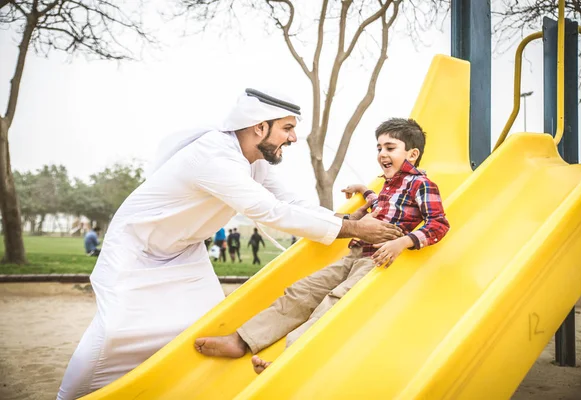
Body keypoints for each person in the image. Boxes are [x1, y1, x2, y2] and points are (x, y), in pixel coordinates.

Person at [57, 87, 402, 399]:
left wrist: (343, 222)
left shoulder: (253, 162)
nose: (294, 137)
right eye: (287, 127)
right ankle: (69, 396)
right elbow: (270, 211)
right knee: (113, 332)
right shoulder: (213, 156)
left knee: (201, 324)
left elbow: (291, 202)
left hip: (184, 253)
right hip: (137, 250)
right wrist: (352, 230)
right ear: (259, 127)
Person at [194, 118, 450, 374]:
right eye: (379, 148)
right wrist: (363, 189)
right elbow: (380, 202)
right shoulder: (388, 184)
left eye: (390, 148)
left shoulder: (422, 185)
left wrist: (402, 242)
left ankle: (288, 361)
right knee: (301, 291)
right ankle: (244, 339)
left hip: (380, 262)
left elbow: (438, 223)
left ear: (412, 154)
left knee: (334, 301)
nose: (382, 153)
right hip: (357, 254)